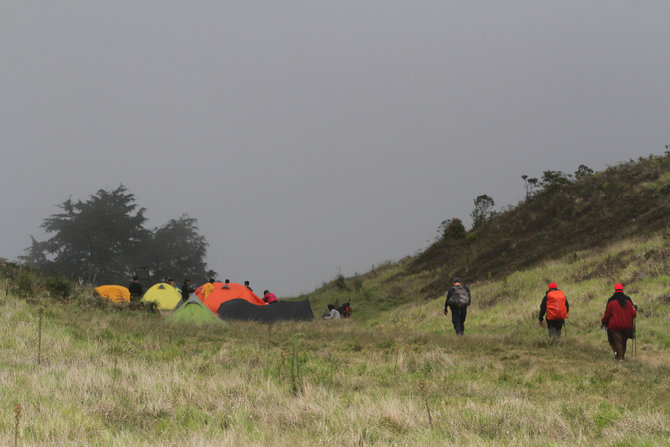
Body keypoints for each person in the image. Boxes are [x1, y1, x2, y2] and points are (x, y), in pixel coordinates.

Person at [601, 283, 637, 361]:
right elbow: (633, 314)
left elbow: (607, 315)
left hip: (615, 326)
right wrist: (635, 308)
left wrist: (603, 322)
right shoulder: (628, 302)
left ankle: (620, 358)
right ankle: (621, 357)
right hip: (627, 326)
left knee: (618, 342)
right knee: (623, 342)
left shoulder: (611, 303)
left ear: (614, 292)